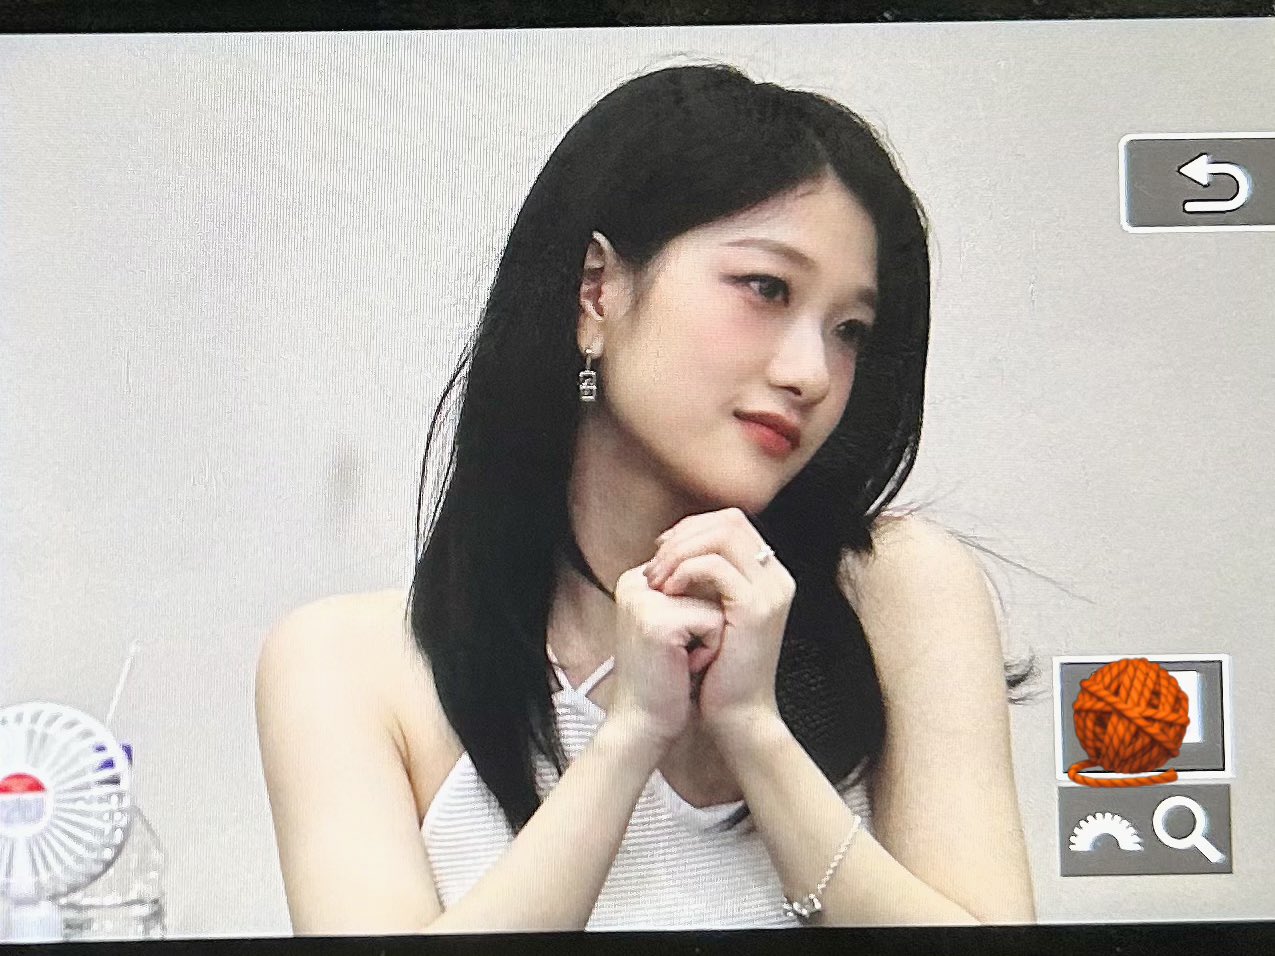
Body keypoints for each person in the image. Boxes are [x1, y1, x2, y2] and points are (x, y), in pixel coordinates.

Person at [256, 61, 1037, 934]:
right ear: (596, 290)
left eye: (848, 330)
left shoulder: (896, 590)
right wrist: (629, 738)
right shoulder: (350, 665)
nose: (811, 373)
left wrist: (754, 732)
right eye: (765, 288)